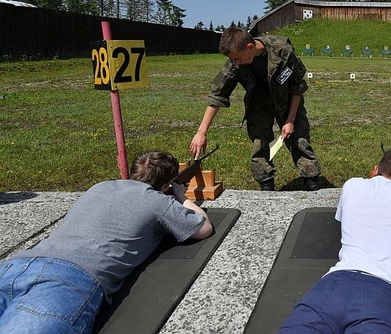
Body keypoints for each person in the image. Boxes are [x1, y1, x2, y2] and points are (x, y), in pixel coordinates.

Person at [0, 150, 212, 334]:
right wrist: (180, 195)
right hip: (70, 278)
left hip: (16, 265)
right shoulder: (158, 200)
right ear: (165, 185)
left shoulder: (100, 186)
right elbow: (203, 228)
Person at [279, 146, 391, 333]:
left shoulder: (351, 184)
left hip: (333, 283)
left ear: (375, 170)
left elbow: (343, 220)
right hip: (382, 291)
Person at [190, 27, 320, 192]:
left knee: (299, 138)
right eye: (233, 60)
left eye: (237, 59)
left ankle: (311, 179)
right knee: (260, 141)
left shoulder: (282, 50)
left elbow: (297, 86)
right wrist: (201, 132)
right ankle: (266, 182)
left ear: (250, 47)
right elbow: (218, 94)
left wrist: (290, 120)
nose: (235, 63)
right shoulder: (235, 61)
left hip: (287, 98)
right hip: (258, 100)